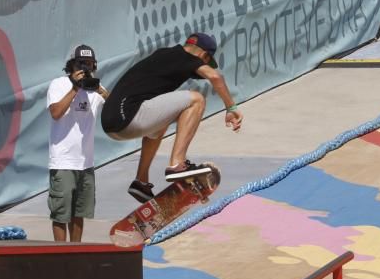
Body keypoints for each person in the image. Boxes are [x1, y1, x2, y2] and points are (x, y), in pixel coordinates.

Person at [102, 33, 243, 202]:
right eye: (206, 62)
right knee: (197, 100)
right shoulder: (187, 57)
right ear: (203, 55)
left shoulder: (165, 55)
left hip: (111, 123)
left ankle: (141, 181)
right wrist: (231, 108)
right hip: (131, 117)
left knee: (161, 122)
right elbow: (215, 77)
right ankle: (177, 164)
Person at [47, 44, 107, 242]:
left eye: (89, 64)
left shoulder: (96, 90)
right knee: (60, 213)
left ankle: (75, 251)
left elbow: (115, 108)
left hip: (86, 163)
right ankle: (59, 255)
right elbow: (55, 113)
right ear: (72, 65)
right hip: (63, 162)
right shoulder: (58, 84)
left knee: (78, 212)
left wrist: (100, 90)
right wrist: (75, 88)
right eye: (81, 63)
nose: (86, 68)